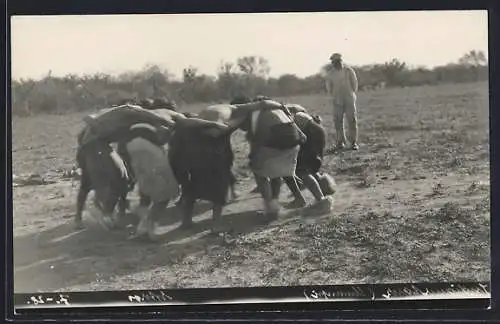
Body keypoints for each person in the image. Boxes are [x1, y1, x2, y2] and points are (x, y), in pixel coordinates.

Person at [324, 53, 359, 152]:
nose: (336, 64)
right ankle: (340, 141)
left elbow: (354, 84)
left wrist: (351, 94)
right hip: (337, 100)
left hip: (349, 99)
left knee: (352, 120)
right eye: (334, 62)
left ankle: (353, 142)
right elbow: (329, 87)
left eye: (338, 61)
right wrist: (333, 96)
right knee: (338, 121)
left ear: (341, 61)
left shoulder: (348, 71)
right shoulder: (331, 73)